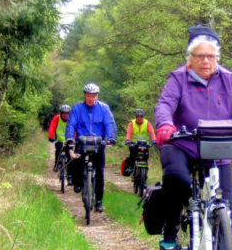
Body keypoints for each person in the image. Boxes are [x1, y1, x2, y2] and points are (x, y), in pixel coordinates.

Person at [154, 24, 232, 250]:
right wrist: (166, 125)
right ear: (191, 58)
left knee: (225, 208)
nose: (206, 61)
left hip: (216, 145)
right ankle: (171, 225)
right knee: (176, 179)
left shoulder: (229, 79)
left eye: (211, 56)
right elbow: (165, 104)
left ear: (216, 58)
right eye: (200, 56)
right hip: (182, 143)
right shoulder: (178, 78)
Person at [65, 83, 117, 213]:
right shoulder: (77, 109)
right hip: (82, 142)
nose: (91, 98)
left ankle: (98, 201)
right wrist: (70, 138)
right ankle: (78, 183)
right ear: (84, 95)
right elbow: (71, 124)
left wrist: (111, 138)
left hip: (98, 144)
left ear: (97, 96)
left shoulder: (104, 109)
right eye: (88, 95)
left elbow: (109, 123)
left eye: (94, 96)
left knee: (99, 172)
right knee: (76, 161)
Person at [123, 108, 156, 176]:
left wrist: (154, 140)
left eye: (141, 116)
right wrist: (127, 140)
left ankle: (144, 177)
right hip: (134, 144)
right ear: (136, 116)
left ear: (143, 116)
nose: (139, 118)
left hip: (144, 144)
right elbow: (129, 132)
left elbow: (151, 132)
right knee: (132, 155)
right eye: (138, 116)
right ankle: (131, 167)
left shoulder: (147, 123)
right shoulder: (132, 123)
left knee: (146, 158)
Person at [48, 104, 72, 179]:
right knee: (58, 150)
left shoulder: (71, 120)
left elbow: (74, 130)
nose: (65, 115)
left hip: (69, 140)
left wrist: (74, 139)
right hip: (59, 140)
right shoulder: (57, 118)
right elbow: (52, 127)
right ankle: (56, 164)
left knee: (69, 156)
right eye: (63, 113)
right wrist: (51, 137)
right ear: (61, 113)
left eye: (67, 113)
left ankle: (69, 176)